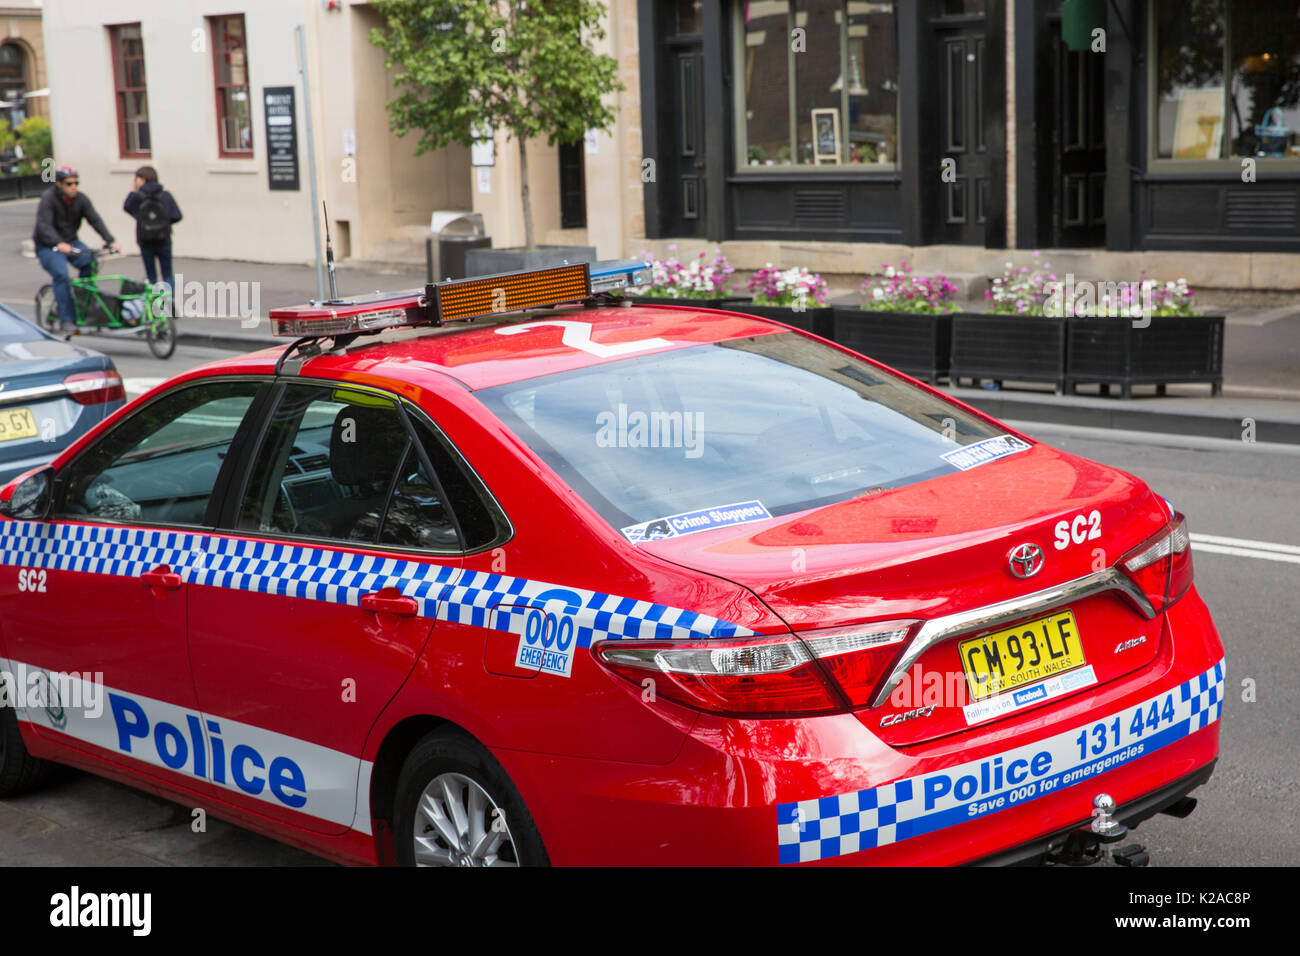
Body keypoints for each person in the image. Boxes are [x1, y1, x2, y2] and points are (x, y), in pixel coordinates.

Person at [33, 166, 121, 333]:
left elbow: (95, 220)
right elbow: (44, 225)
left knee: (90, 262)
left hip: (71, 242)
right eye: (69, 184)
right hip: (49, 246)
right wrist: (58, 243)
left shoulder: (80, 199)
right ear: (59, 184)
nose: (74, 187)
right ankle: (66, 319)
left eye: (76, 183)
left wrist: (111, 241)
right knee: (62, 275)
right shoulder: (48, 199)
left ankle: (84, 305)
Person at [123, 165, 182, 300]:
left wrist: (133, 191)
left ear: (143, 179)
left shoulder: (138, 196)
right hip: (164, 239)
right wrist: (163, 224)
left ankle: (155, 306)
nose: (135, 181)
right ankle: (168, 303)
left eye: (137, 178)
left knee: (151, 276)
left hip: (145, 240)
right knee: (167, 273)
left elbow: (126, 207)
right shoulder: (165, 195)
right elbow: (177, 215)